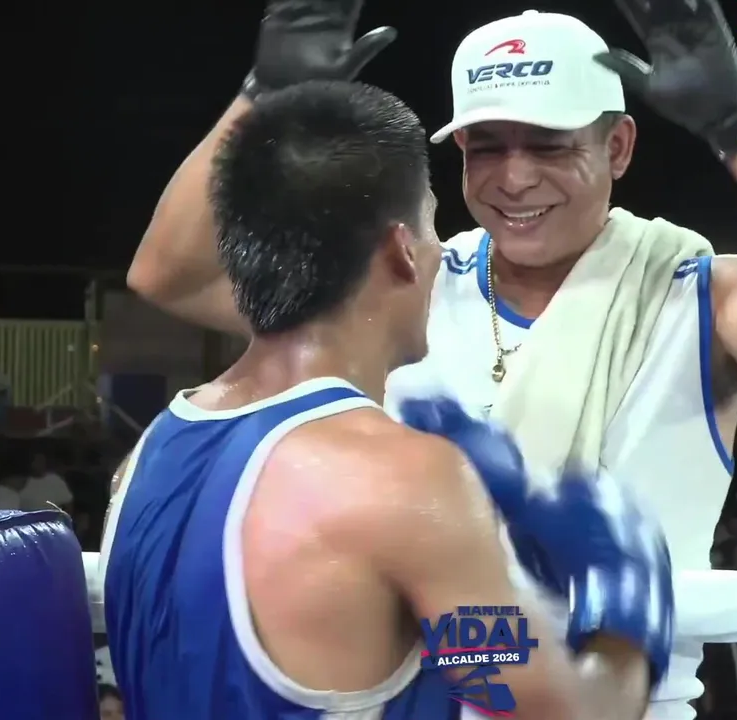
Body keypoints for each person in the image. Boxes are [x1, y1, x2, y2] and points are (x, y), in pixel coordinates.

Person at [125, 0, 737, 717]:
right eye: (487, 146)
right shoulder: (409, 286)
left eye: (549, 145)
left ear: (618, 146)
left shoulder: (690, 293)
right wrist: (264, 95)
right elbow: (171, 276)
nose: (515, 177)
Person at [98, 5, 674, 716]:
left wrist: (260, 95)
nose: (444, 255)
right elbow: (541, 707)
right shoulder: (406, 481)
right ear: (402, 250)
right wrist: (624, 616)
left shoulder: (147, 453)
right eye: (433, 229)